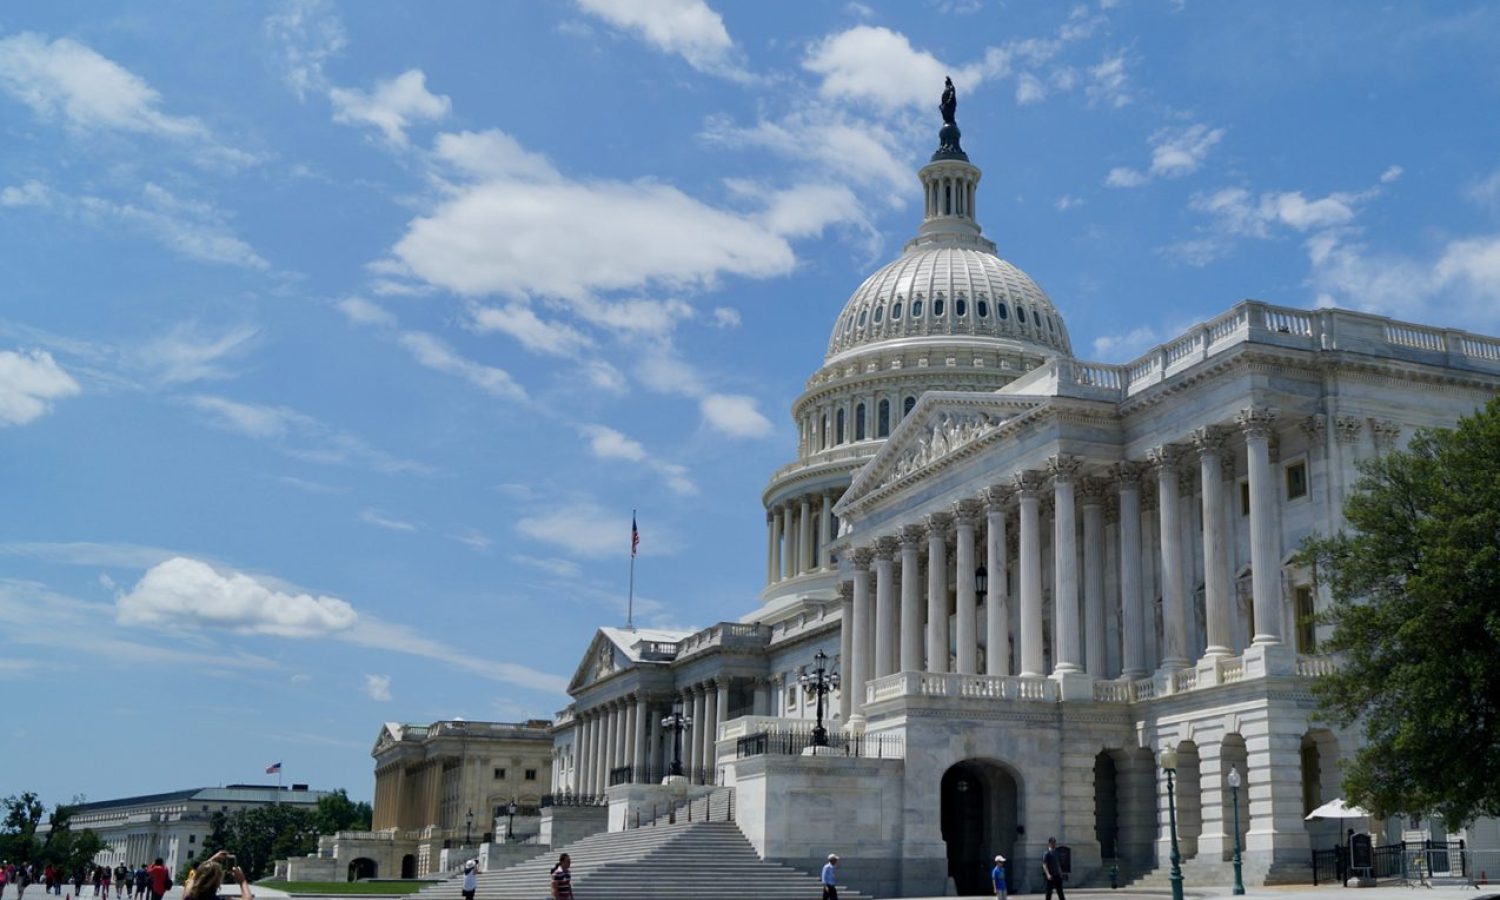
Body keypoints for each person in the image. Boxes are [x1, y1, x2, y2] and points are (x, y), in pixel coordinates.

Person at [182, 853, 249, 900]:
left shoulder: (188, 898)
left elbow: (196, 876)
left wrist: (211, 860)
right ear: (218, 882)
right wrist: (242, 881)